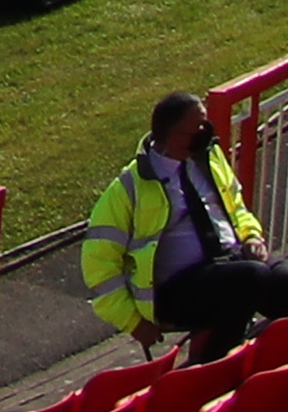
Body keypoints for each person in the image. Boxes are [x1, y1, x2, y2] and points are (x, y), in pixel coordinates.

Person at [84, 92, 288, 361]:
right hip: (177, 290)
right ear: (172, 135)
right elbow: (99, 266)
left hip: (232, 261)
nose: (204, 134)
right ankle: (212, 367)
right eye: (197, 129)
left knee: (279, 278)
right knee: (251, 278)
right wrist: (133, 323)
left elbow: (236, 207)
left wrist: (251, 237)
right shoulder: (128, 188)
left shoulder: (209, 158)